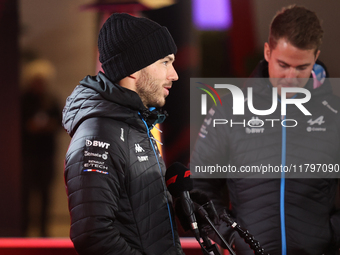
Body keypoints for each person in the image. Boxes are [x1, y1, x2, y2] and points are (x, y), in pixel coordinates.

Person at [190, 5, 340, 255]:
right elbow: (200, 182)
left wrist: (332, 234)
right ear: (268, 51)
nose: (291, 76)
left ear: (315, 57)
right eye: (283, 64)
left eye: (302, 67)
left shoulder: (334, 113)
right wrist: (228, 236)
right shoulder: (230, 109)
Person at [62, 13, 184, 255]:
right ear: (134, 68)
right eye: (165, 62)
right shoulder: (98, 134)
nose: (174, 75)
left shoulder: (134, 124)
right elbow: (92, 235)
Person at [21, 59, 61, 237]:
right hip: (27, 155)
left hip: (46, 154)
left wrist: (49, 126)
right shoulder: (23, 100)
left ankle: (44, 232)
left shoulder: (51, 100)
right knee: (25, 195)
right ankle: (22, 231)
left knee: (45, 195)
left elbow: (61, 123)